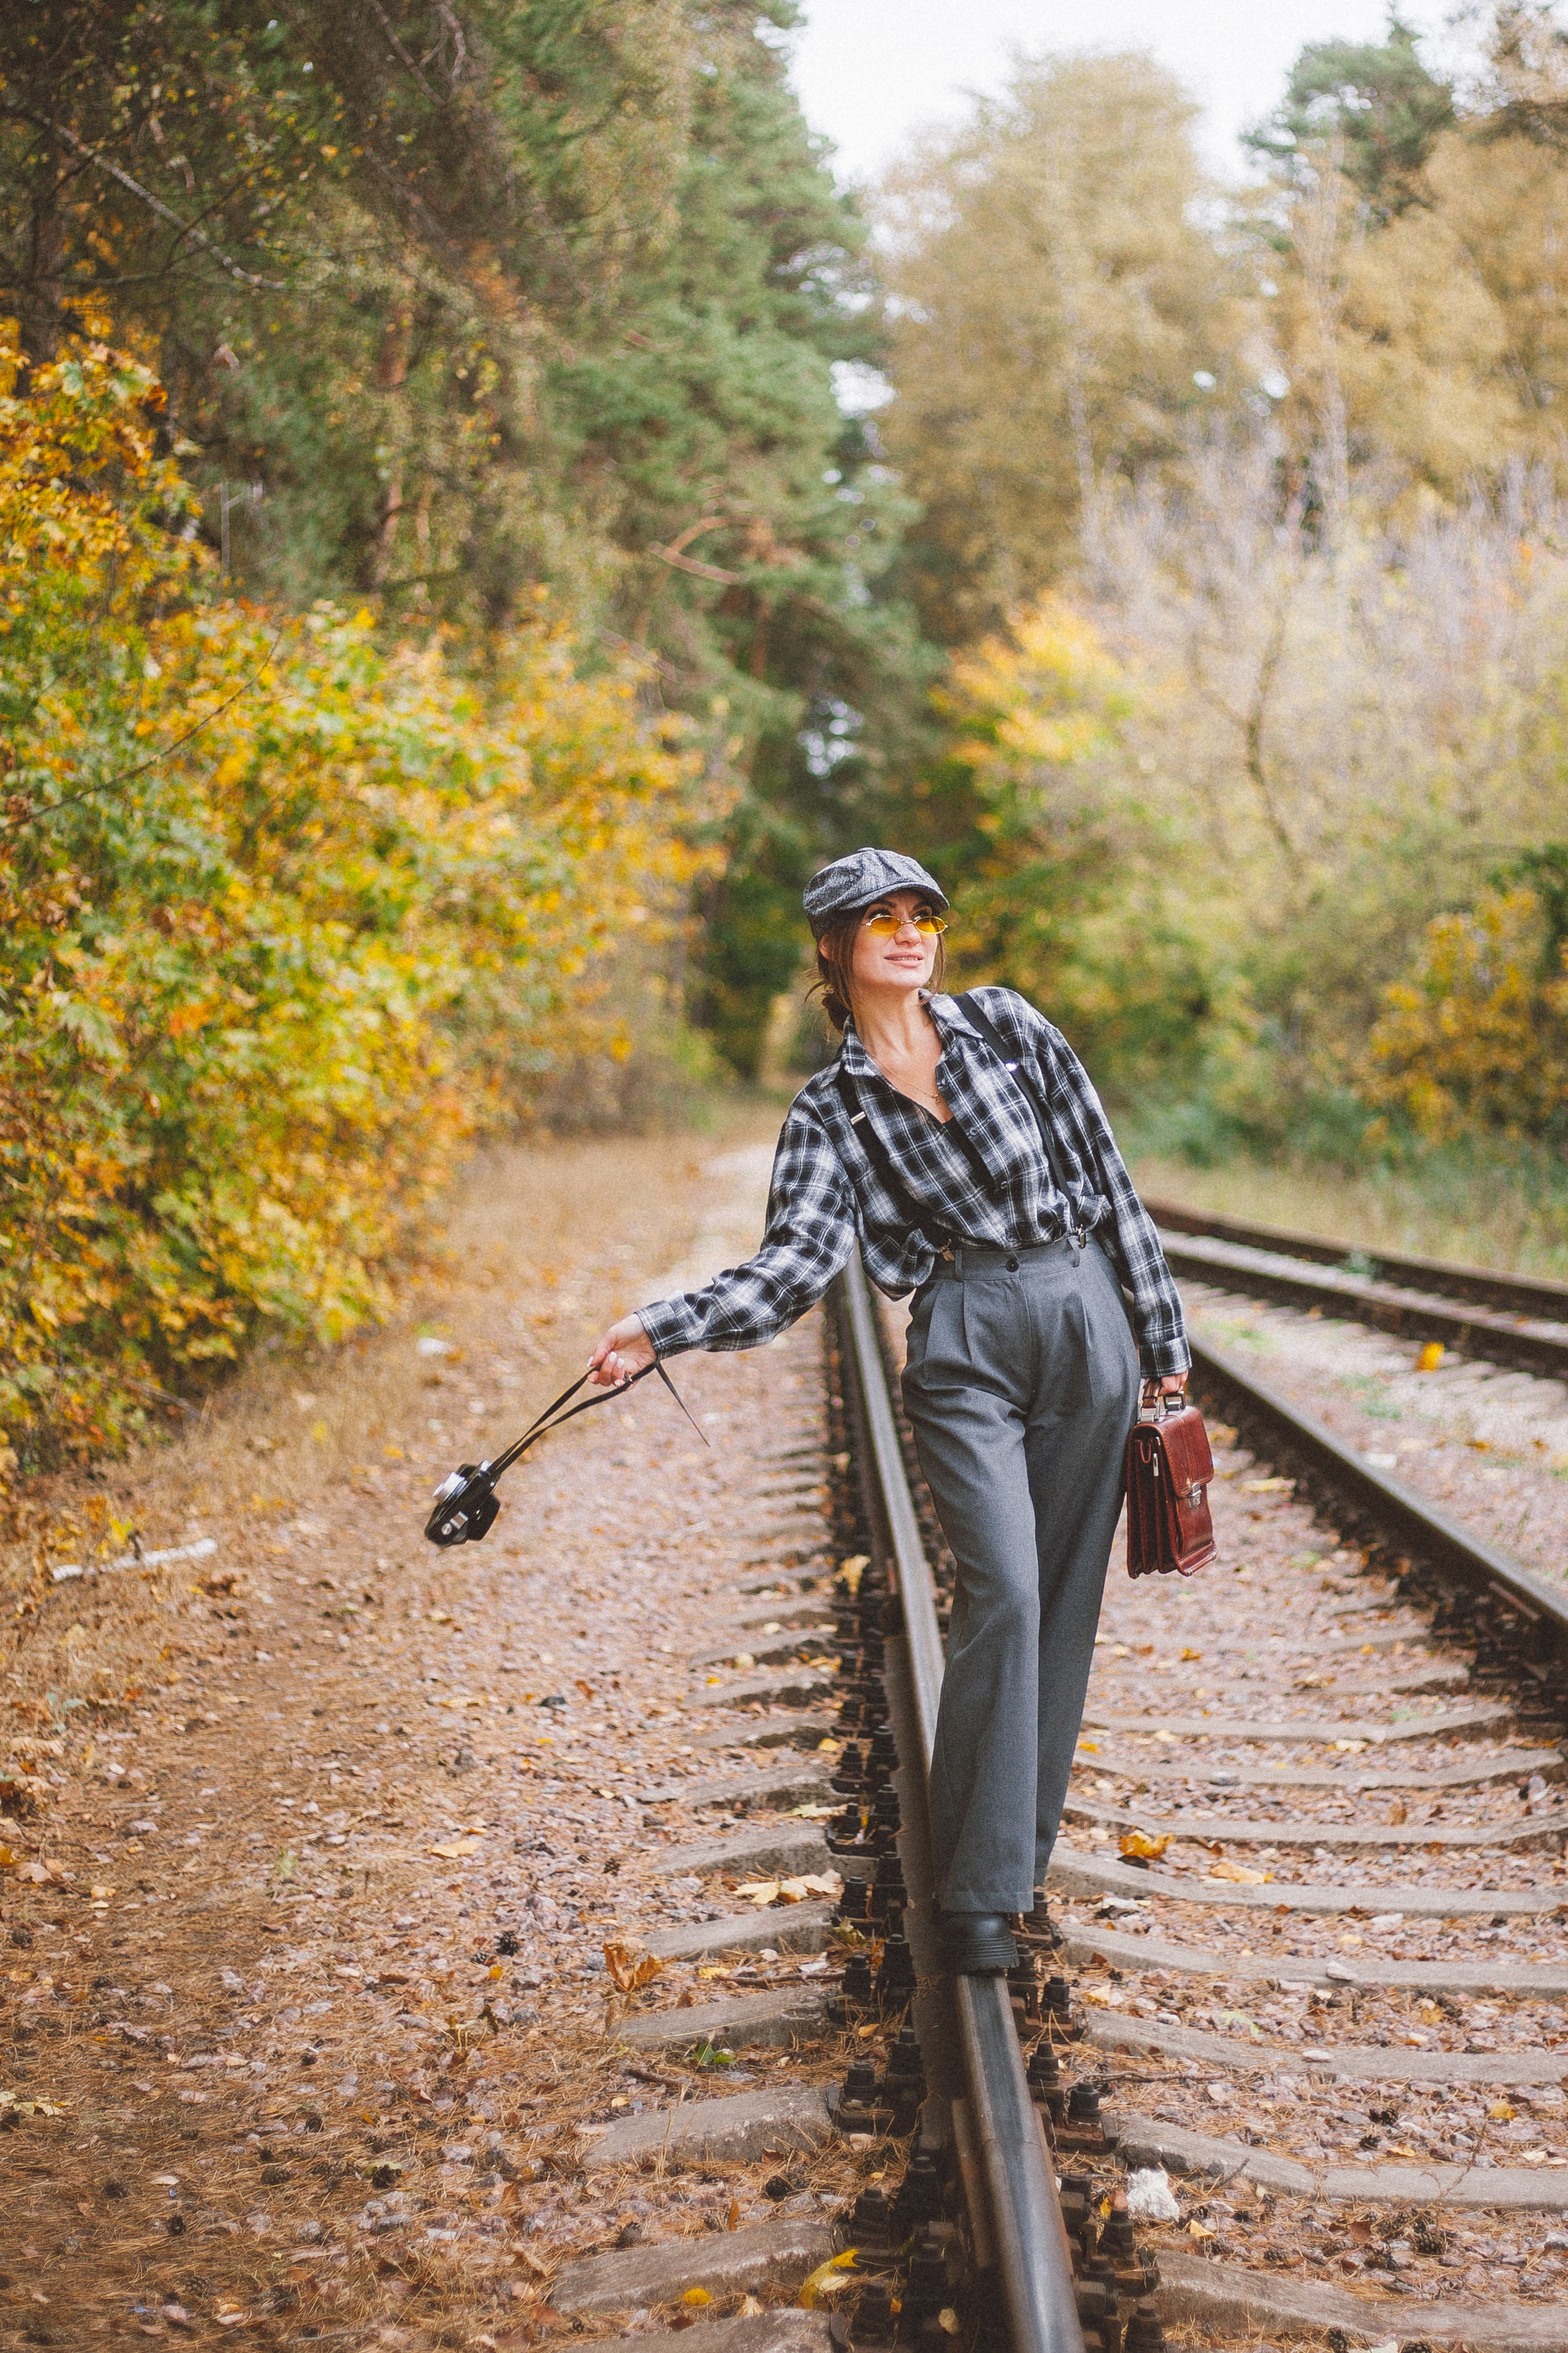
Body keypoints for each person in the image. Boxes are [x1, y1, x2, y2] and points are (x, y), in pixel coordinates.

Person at [589, 847, 1190, 1975]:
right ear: (834, 948)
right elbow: (794, 1268)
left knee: (1060, 1609)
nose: (911, 933)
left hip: (1082, 1316)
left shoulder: (1009, 1028)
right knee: (1004, 1589)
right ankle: (968, 1892)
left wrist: (1165, 1356)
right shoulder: (830, 1111)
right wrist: (658, 1324)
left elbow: (1112, 1188)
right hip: (964, 1334)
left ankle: (1004, 1872)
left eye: (924, 914)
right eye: (882, 921)